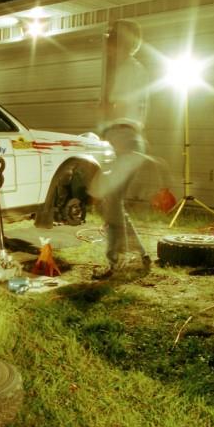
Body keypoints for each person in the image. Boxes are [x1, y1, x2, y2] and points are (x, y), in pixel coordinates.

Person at [90, 19, 152, 279]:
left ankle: (117, 260)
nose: (107, 44)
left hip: (123, 138)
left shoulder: (128, 69)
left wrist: (104, 108)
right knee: (112, 201)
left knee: (106, 198)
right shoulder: (134, 69)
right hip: (127, 138)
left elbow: (117, 107)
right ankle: (139, 254)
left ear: (122, 42)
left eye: (111, 39)